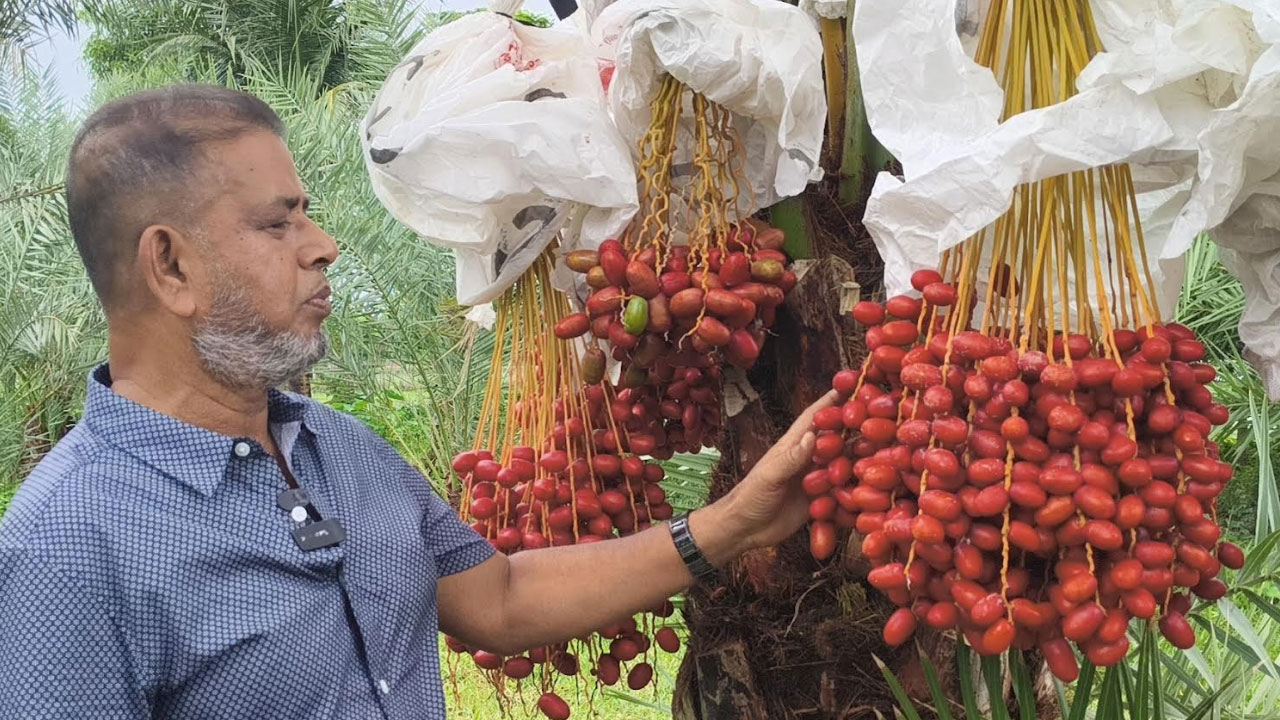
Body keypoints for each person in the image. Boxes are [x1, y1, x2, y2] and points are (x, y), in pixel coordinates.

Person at [0, 85, 832, 719]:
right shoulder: (66, 549)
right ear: (169, 267)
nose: (323, 247)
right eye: (279, 224)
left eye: (310, 217)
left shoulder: (342, 450)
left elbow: (499, 598)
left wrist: (735, 525)